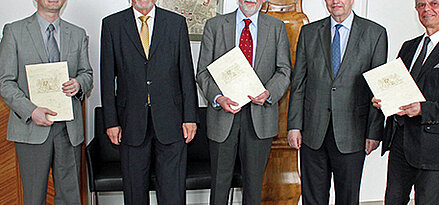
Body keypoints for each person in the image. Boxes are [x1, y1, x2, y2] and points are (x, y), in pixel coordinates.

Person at [372, 0, 439, 204]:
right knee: (393, 201)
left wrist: (424, 109)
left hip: (434, 148)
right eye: (421, 4)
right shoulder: (409, 47)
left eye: (434, 3)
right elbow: (399, 88)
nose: (426, 9)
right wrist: (384, 99)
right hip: (400, 144)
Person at [287, 0, 387, 204]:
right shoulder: (309, 32)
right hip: (313, 132)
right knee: (312, 198)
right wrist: (294, 126)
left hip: (353, 133)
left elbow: (379, 89)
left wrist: (374, 132)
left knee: (348, 199)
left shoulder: (374, 33)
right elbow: (299, 83)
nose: (336, 1)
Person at [100, 0, 198, 204]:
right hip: (130, 122)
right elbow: (107, 78)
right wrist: (111, 121)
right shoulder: (112, 24)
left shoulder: (176, 23)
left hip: (172, 121)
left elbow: (186, 74)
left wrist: (190, 117)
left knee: (173, 193)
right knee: (135, 193)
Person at [196, 0, 292, 203]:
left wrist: (268, 93)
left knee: (253, 187)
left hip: (260, 119)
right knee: (219, 187)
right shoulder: (215, 25)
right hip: (223, 117)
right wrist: (217, 97)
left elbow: (284, 71)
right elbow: (203, 72)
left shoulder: (276, 28)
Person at [0, 0, 93, 204]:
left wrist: (78, 84)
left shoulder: (77, 34)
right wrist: (31, 111)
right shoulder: (14, 31)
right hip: (31, 128)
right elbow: (5, 82)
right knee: (34, 198)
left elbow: (87, 74)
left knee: (71, 198)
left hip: (68, 130)